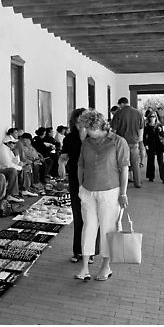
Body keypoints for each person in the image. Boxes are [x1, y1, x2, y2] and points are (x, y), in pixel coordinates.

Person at [75, 110, 129, 282]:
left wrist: (123, 193)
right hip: (88, 191)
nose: (84, 131)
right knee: (89, 227)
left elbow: (124, 168)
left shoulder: (118, 142)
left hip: (110, 191)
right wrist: (80, 186)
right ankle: (84, 267)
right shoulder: (86, 143)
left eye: (86, 128)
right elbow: (80, 165)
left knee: (107, 229)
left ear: (97, 126)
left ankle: (106, 266)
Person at [58, 108, 96, 264]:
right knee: (78, 215)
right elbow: (64, 156)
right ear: (74, 122)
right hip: (75, 179)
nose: (81, 122)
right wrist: (61, 164)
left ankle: (90, 251)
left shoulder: (94, 137)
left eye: (84, 119)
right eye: (78, 119)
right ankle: (77, 251)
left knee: (91, 217)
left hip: (93, 180)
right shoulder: (69, 138)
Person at [110, 97, 145, 188]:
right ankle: (137, 182)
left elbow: (113, 129)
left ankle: (122, 183)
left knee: (122, 163)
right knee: (135, 163)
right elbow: (141, 128)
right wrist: (140, 141)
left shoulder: (118, 113)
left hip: (122, 142)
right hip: (134, 141)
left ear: (121, 104)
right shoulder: (138, 113)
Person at [0, 135, 26, 203]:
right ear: (7, 143)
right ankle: (11, 194)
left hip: (2, 169)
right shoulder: (2, 150)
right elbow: (7, 164)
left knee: (20, 169)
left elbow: (14, 162)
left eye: (14, 143)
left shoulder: (9, 150)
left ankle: (23, 190)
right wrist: (19, 167)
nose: (14, 144)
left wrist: (17, 157)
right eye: (13, 143)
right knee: (13, 171)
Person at [143, 111, 164, 183]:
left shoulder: (159, 125)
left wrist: (161, 131)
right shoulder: (147, 127)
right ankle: (151, 176)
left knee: (160, 161)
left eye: (154, 116)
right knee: (150, 160)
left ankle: (163, 177)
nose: (152, 118)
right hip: (150, 144)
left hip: (158, 144)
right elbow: (144, 137)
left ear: (156, 118)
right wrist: (146, 145)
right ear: (149, 118)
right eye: (151, 116)